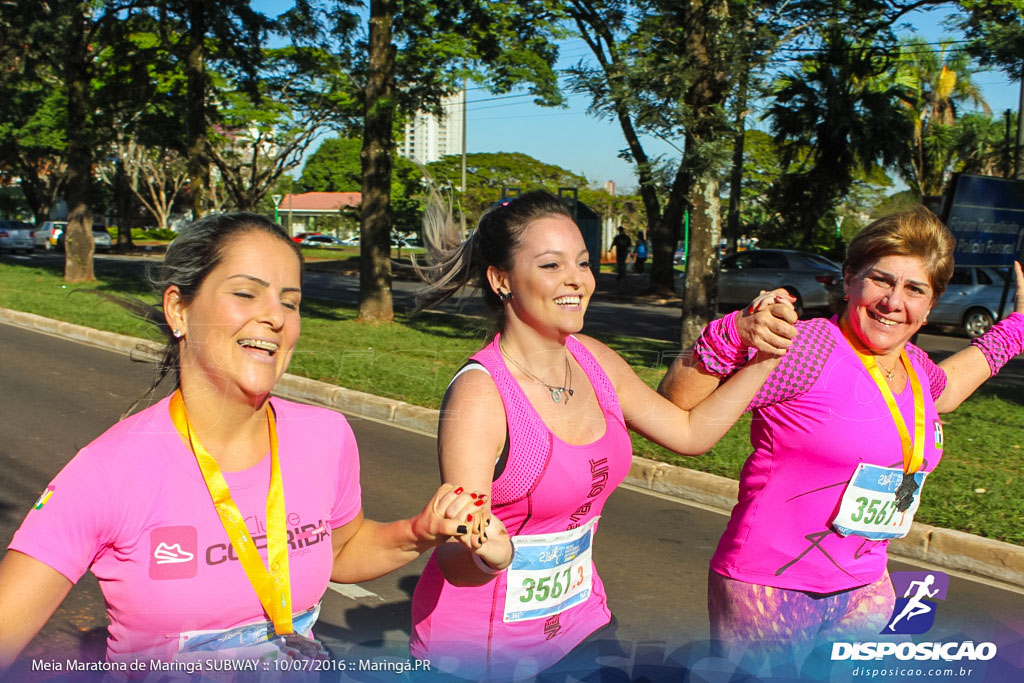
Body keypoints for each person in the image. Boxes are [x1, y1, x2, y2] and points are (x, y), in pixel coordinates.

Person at [0, 213, 485, 669]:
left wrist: (418, 532)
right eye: (247, 294)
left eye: (290, 302)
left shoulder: (326, 435)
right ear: (179, 309)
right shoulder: (107, 471)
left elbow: (339, 550)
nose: (275, 317)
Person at [408, 190, 797, 681]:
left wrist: (765, 356)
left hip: (582, 626)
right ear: (501, 279)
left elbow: (690, 431)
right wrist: (489, 555)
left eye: (584, 263)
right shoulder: (481, 396)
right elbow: (456, 559)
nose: (577, 279)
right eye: (551, 265)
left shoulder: (594, 359)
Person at [658, 206, 1024, 675]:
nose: (894, 302)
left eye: (915, 289)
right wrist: (729, 336)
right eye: (880, 281)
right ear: (848, 280)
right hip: (770, 590)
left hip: (865, 588)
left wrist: (1015, 329)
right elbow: (679, 407)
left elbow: (948, 391)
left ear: (931, 304)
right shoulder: (807, 349)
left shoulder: (914, 367)